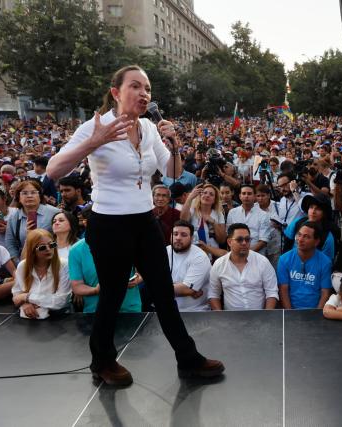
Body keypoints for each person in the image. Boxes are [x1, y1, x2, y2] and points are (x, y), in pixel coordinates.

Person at [46, 65, 223, 385]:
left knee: (162, 293)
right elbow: (54, 170)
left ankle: (188, 359)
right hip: (109, 223)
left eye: (148, 89)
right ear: (116, 93)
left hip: (143, 221)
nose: (144, 94)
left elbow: (170, 171)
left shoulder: (149, 128)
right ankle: (101, 361)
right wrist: (93, 142)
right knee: (112, 295)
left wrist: (174, 143)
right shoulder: (94, 127)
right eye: (136, 87)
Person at [208, 223, 278, 310]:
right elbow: (213, 294)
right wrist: (221, 318)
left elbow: (272, 292)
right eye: (239, 239)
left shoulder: (262, 262)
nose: (244, 243)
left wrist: (266, 317)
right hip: (231, 320)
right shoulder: (219, 264)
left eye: (247, 239)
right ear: (229, 242)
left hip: (260, 318)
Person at [11, 229, 70, 318]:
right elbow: (17, 295)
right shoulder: (23, 266)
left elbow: (62, 301)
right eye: (42, 247)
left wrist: (27, 297)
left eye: (52, 245)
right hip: (29, 319)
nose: (48, 249)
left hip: (59, 317)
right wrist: (24, 305)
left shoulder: (64, 265)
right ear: (32, 250)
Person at [278, 221, 332, 309]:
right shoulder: (284, 259)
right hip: (291, 310)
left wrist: (317, 314)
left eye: (306, 237)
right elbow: (283, 289)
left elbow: (325, 292)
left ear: (316, 242)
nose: (300, 239)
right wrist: (289, 313)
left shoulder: (325, 262)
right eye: (299, 235)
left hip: (315, 310)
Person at [4, 179, 60, 262]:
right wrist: (19, 263)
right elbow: (10, 243)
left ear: (40, 196)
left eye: (33, 192)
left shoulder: (54, 213)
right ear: (18, 198)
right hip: (25, 261)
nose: (29, 196)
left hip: (52, 259)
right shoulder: (14, 217)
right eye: (24, 193)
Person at [166, 220, 211, 312]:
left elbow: (187, 289)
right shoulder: (165, 252)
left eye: (183, 235)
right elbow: (153, 279)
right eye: (175, 234)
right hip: (166, 310)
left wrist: (156, 288)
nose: (178, 238)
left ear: (191, 238)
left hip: (194, 311)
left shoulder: (199, 257)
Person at [284, 193, 337, 260]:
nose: (313, 211)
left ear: (324, 213)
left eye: (318, 209)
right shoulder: (297, 222)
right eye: (311, 207)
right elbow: (287, 246)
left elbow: (327, 262)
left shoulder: (327, 236)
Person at [180, 183, 226, 258]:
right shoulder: (192, 211)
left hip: (213, 253)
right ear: (200, 196)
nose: (207, 195)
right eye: (204, 193)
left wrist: (214, 223)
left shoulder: (219, 214)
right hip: (193, 253)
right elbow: (183, 221)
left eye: (211, 194)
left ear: (214, 200)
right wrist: (190, 197)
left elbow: (222, 240)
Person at [226, 184, 270, 253]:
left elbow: (263, 240)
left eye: (249, 194)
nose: (246, 196)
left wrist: (247, 253)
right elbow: (229, 235)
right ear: (240, 196)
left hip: (257, 256)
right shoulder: (232, 213)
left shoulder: (263, 215)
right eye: (244, 193)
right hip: (235, 254)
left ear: (254, 196)